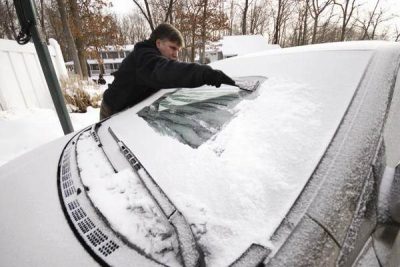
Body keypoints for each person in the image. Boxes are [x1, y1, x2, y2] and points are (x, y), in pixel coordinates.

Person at [100, 23, 235, 120]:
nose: (176, 54)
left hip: (131, 109)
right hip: (113, 110)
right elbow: (166, 71)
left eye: (178, 50)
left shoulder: (152, 57)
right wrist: (205, 74)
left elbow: (173, 75)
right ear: (158, 43)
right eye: (173, 48)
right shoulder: (144, 57)